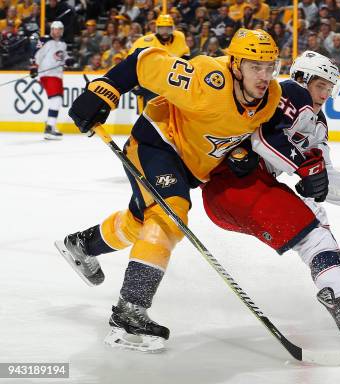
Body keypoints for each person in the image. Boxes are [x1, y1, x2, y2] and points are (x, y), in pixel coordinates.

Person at [54, 29, 282, 352]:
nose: (264, 75)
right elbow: (143, 63)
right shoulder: (207, 79)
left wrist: (241, 153)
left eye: (269, 66)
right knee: (170, 213)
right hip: (156, 142)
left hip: (189, 166)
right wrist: (104, 92)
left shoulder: (271, 96)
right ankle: (130, 311)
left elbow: (238, 127)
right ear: (234, 65)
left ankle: (82, 245)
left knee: (141, 223)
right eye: (255, 66)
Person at [201, 51, 340, 344]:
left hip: (246, 192)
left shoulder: (317, 122)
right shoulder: (290, 92)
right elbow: (264, 140)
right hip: (237, 186)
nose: (325, 93)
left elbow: (324, 176)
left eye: (329, 87)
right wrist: (302, 167)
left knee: (318, 229)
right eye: (320, 84)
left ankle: (338, 286)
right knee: (315, 237)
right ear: (301, 77)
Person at [129, 14, 190, 113]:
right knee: (147, 117)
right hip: (149, 84)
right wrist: (134, 83)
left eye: (168, 29)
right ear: (157, 29)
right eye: (162, 29)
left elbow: (185, 57)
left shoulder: (179, 37)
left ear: (173, 28)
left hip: (170, 86)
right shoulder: (145, 41)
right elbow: (131, 62)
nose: (165, 32)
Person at [29, 21, 75, 140]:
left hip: (58, 75)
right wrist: (34, 67)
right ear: (52, 30)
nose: (57, 31)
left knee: (57, 100)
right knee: (56, 100)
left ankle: (50, 125)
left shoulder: (63, 43)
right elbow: (36, 53)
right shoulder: (45, 40)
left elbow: (63, 57)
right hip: (47, 74)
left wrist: (68, 60)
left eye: (60, 29)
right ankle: (49, 128)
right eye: (55, 29)